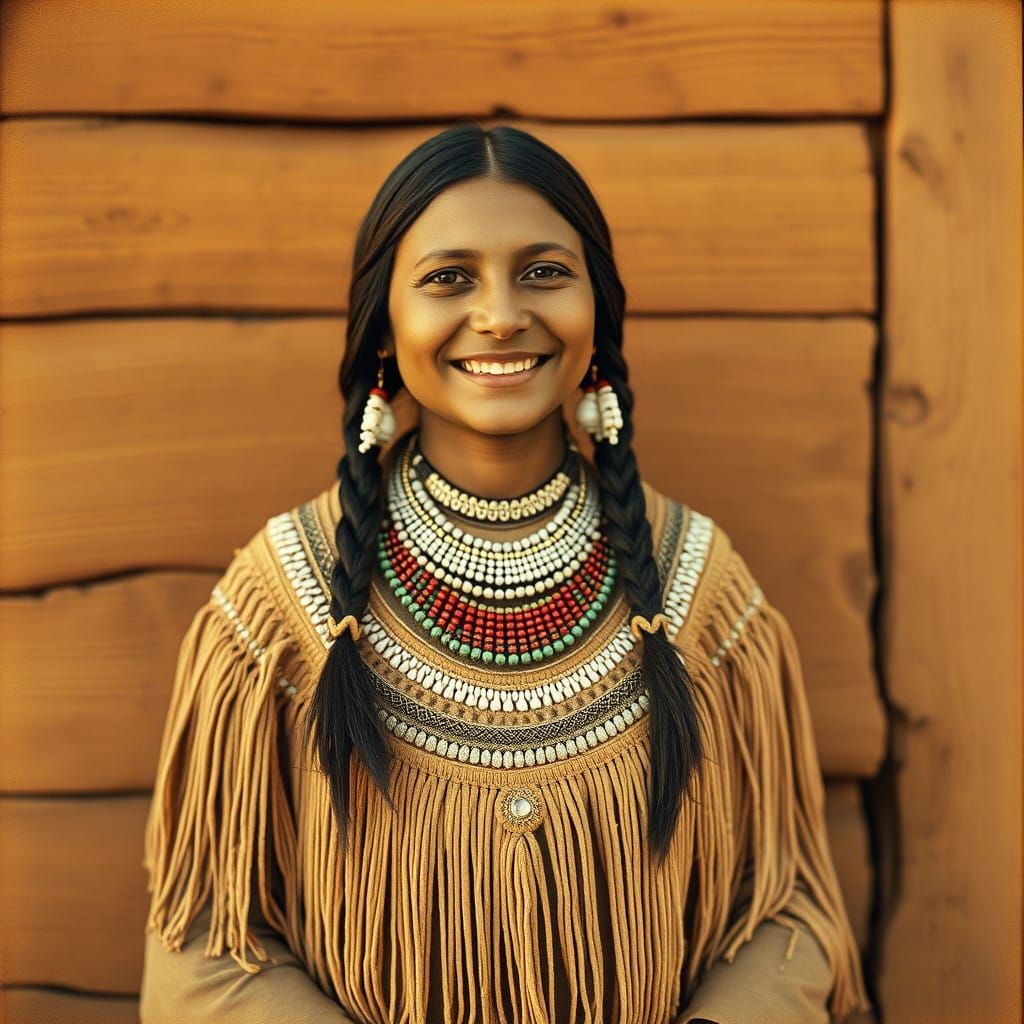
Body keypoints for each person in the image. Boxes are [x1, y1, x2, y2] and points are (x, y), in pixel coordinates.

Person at [139, 122, 872, 1024]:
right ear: (383, 327)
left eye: (544, 273)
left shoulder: (700, 585)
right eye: (449, 278)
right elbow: (204, 944)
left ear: (595, 313)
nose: (499, 314)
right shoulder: (278, 605)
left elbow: (787, 905)